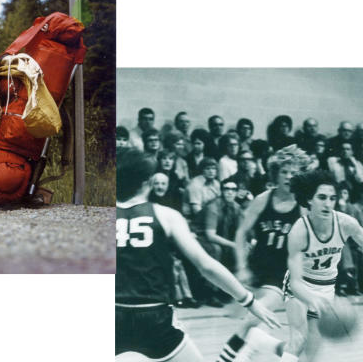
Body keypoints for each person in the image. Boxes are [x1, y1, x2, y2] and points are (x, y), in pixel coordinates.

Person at [116, 147, 279, 362]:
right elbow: (206, 266)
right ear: (147, 182)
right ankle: (246, 345)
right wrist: (249, 301)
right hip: (154, 316)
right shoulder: (166, 215)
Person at [280, 170, 363, 362]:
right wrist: (312, 298)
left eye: (332, 198)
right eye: (322, 197)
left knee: (312, 353)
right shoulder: (299, 231)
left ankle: (260, 342)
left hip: (326, 287)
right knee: (298, 339)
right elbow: (295, 282)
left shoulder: (345, 223)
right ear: (309, 200)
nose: (328, 204)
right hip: (300, 287)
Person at [216, 145, 311, 362]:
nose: (289, 177)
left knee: (253, 318)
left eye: (294, 173)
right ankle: (260, 342)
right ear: (275, 174)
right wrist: (241, 266)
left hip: (281, 274)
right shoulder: (263, 199)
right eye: (284, 171)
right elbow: (241, 233)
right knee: (247, 320)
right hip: (257, 266)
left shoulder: (303, 206)